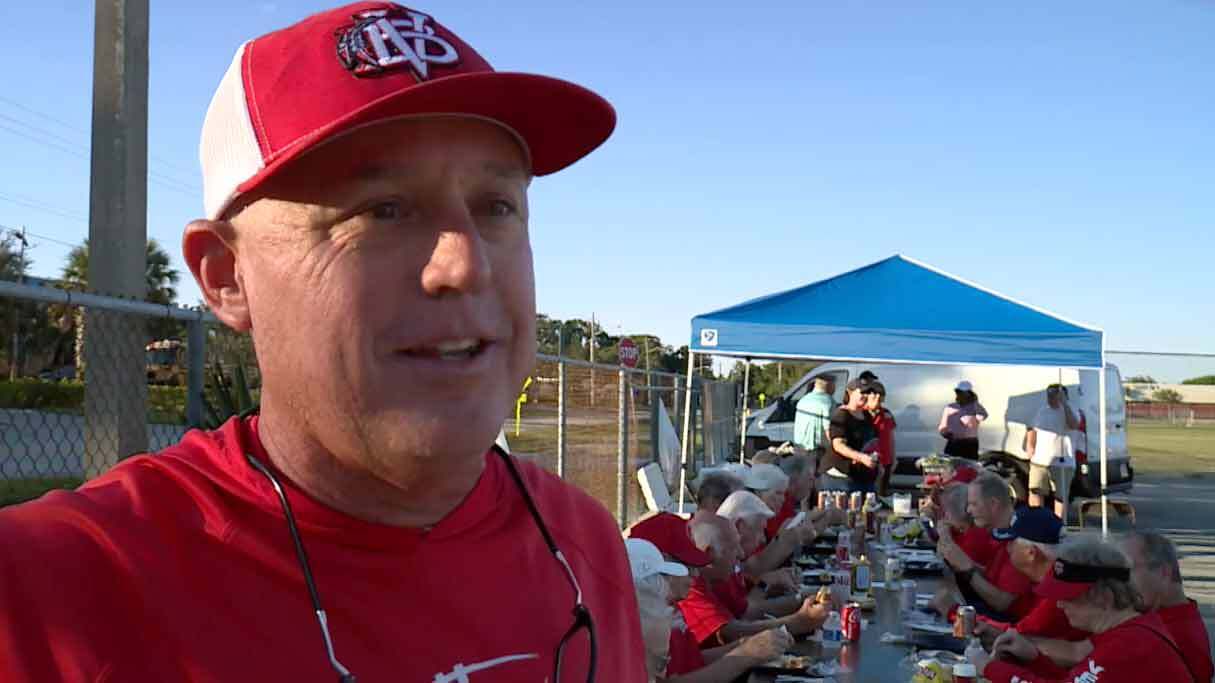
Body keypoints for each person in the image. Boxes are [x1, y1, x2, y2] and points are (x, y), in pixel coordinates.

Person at [0, 4, 646, 681]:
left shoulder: (583, 542)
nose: (465, 264)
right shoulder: (49, 594)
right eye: (382, 209)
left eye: (496, 206)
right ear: (226, 278)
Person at [973, 537, 1193, 683]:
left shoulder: (1129, 645)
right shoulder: (1125, 633)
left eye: (1069, 597)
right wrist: (1034, 659)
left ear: (1105, 597)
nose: (1060, 604)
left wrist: (989, 668)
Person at [677, 515, 828, 647]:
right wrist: (799, 621)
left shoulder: (714, 576)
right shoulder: (690, 584)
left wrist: (802, 601)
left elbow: (746, 610)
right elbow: (731, 632)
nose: (741, 553)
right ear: (709, 554)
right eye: (734, 548)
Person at [937, 473, 1034, 622]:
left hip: (1011, 628)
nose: (968, 510)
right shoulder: (1000, 533)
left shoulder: (1020, 539)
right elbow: (994, 579)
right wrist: (964, 564)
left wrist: (967, 568)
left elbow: (1003, 603)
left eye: (973, 504)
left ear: (993, 504)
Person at [1122, 532, 1213, 683]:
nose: (1119, 581)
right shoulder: (1176, 618)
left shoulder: (1170, 633)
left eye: (1127, 569)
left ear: (1163, 571)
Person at [1026, 384, 1080, 520]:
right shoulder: (1042, 411)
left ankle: (1058, 526)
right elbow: (1032, 428)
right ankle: (1037, 523)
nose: (1050, 398)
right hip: (1039, 460)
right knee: (1035, 491)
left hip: (1063, 461)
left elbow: (1074, 425)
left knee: (1060, 497)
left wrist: (1064, 404)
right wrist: (1030, 445)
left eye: (1054, 395)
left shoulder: (1072, 410)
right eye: (1048, 395)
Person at [819, 379, 879, 494]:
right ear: (850, 392)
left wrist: (875, 458)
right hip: (840, 476)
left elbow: (873, 441)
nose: (865, 396)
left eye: (868, 393)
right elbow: (838, 445)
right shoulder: (841, 415)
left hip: (862, 475)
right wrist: (860, 457)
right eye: (862, 392)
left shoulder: (867, 416)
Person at [939, 380, 988, 460]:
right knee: (952, 467)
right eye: (959, 392)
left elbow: (983, 416)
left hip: (970, 444)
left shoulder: (975, 406)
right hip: (954, 443)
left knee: (970, 467)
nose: (961, 395)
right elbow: (942, 426)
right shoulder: (950, 407)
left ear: (970, 393)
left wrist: (971, 415)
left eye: (964, 393)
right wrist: (945, 433)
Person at [866, 380, 897, 496]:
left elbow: (891, 436)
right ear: (867, 395)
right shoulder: (862, 414)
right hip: (871, 462)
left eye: (881, 394)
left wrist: (894, 458)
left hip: (886, 461)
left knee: (882, 495)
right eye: (874, 393)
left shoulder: (887, 414)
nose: (878, 397)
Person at [794, 376, 835, 457]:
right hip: (818, 452)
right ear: (830, 386)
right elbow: (829, 430)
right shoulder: (828, 402)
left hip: (799, 449)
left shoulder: (802, 400)